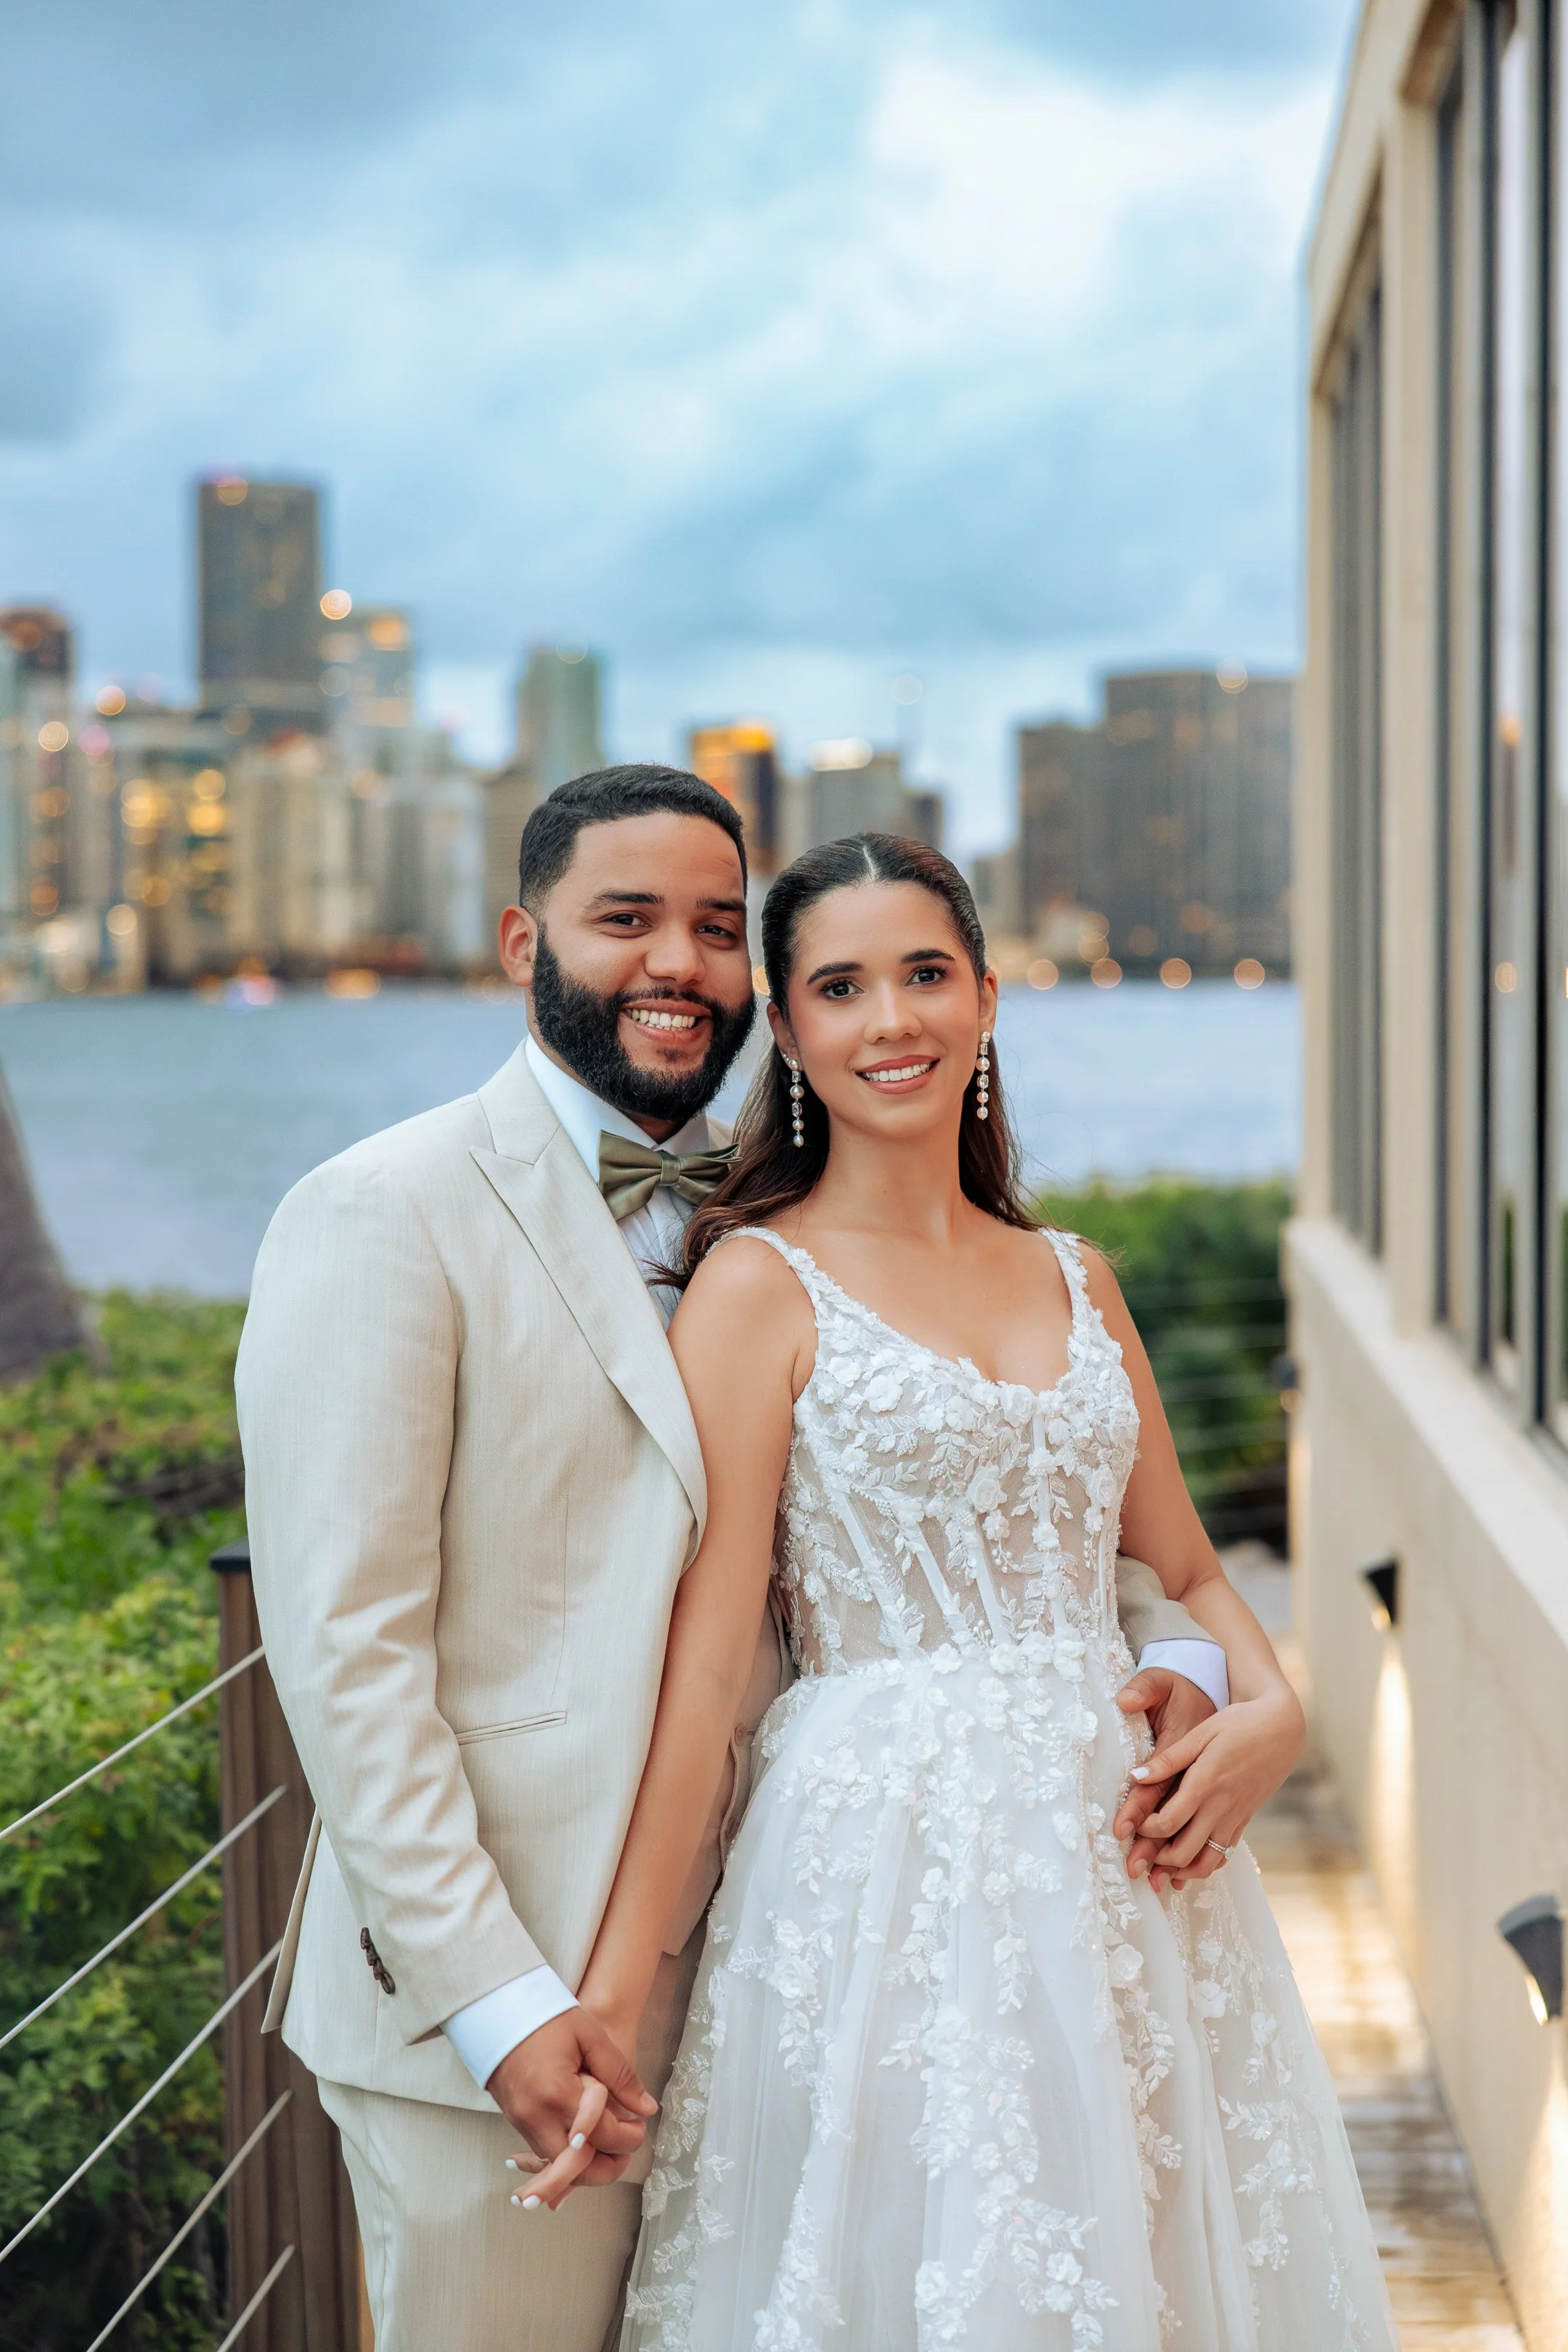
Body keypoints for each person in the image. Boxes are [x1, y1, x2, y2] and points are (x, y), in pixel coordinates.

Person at [234, 772, 1225, 2352]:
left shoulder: (775, 1224)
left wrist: (1200, 1664)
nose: (675, 964)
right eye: (624, 920)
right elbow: (348, 1659)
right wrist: (501, 2000)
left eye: (712, 927)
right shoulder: (383, 1212)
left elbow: (998, 1507)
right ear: (521, 943)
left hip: (826, 1961)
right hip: (520, 1999)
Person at [523, 833, 1396, 2351]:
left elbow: (1184, 1569)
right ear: (787, 1029)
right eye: (841, 987)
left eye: (926, 974)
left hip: (1132, 1877)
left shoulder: (1078, 1276)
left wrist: (1275, 1712)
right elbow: (706, 1671)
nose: (893, 1020)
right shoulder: (756, 1286)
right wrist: (606, 1994)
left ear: (987, 997)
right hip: (884, 1880)